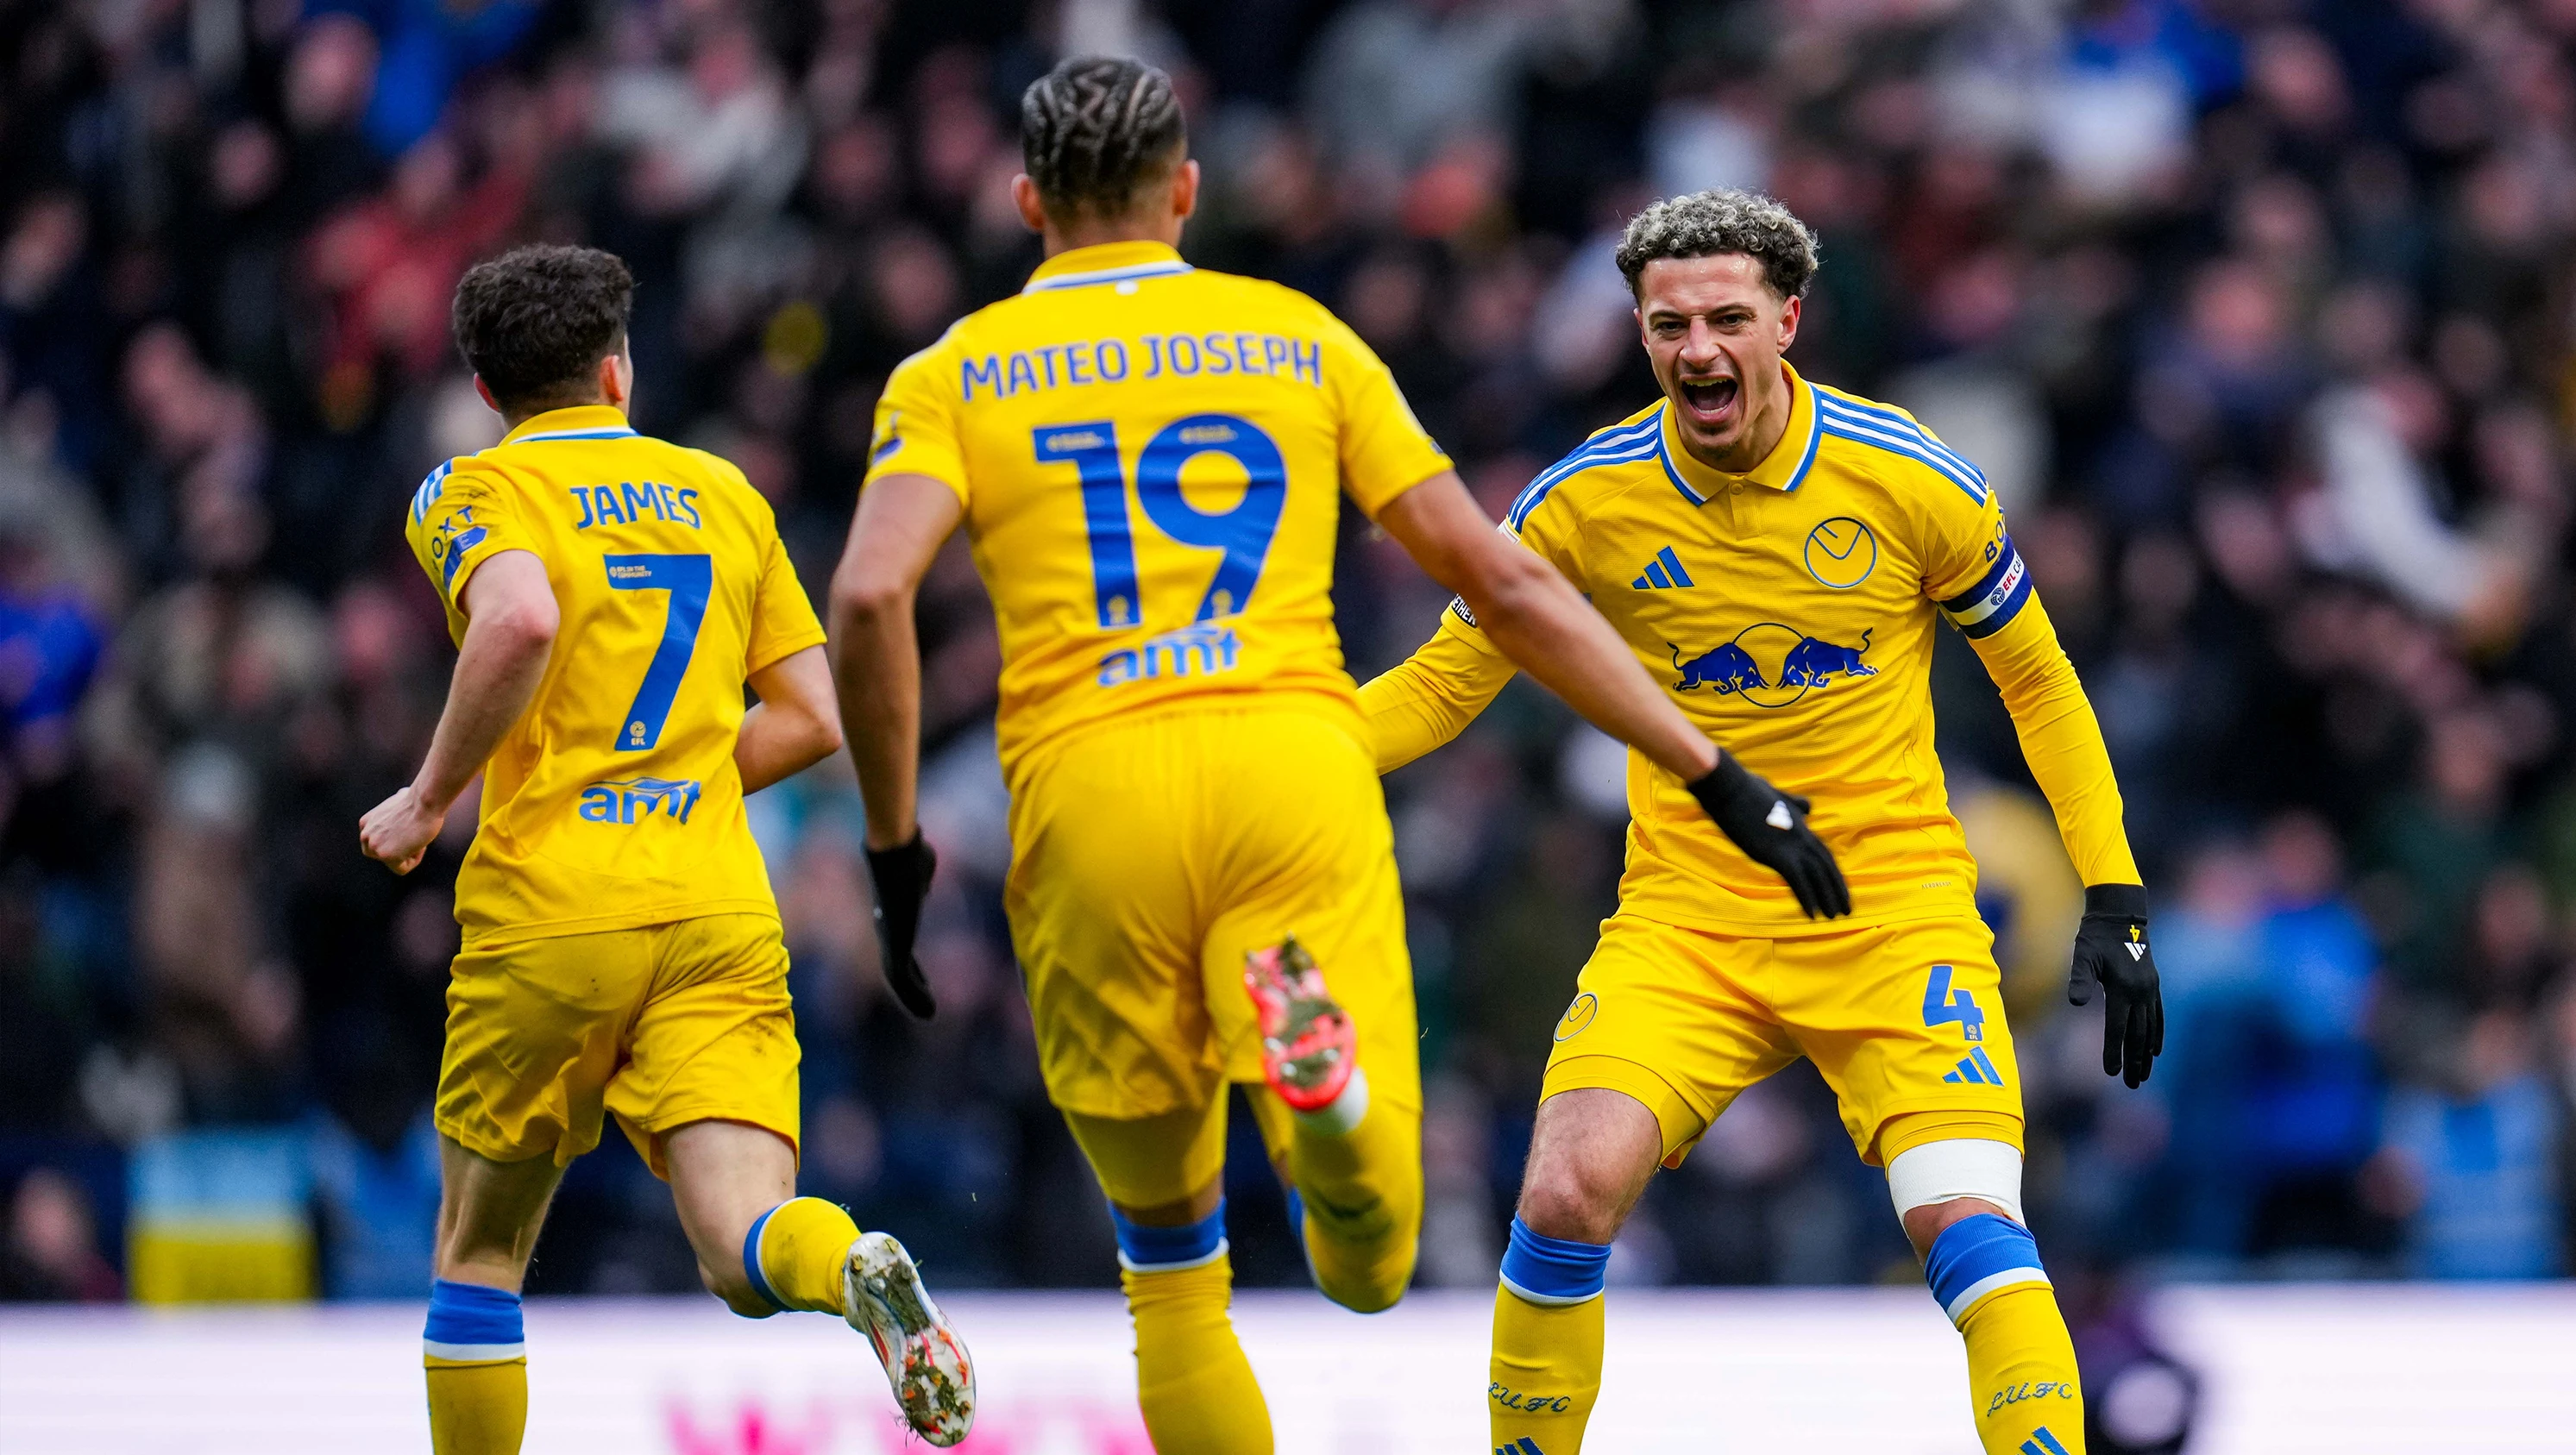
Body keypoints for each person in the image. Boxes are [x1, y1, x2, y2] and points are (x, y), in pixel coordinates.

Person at [829, 59, 1839, 1455]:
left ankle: (1300, 1120)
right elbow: (1503, 581)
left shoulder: (955, 372)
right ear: (1186, 192)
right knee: (1371, 1260)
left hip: (1085, 788)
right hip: (1290, 759)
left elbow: (871, 596)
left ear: (1024, 204)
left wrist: (892, 847)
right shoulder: (1295, 337)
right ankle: (1332, 1093)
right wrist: (1718, 772)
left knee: (1170, 1282)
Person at [1357, 190, 2164, 1455]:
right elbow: (1443, 684)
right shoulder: (1583, 503)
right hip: (1691, 920)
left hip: (1891, 911)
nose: (1698, 349)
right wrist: (1286, 757)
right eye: (1667, 323)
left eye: (1728, 317)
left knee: (1967, 1225)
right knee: (1563, 1191)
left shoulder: (1907, 475)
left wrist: (2111, 888)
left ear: (1787, 321)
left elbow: (2039, 678)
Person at [360, 244, 973, 1453]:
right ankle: (851, 1264)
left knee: (480, 1255)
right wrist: (679, 778)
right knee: (747, 1244)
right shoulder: (724, 491)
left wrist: (431, 797)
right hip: (713, 912)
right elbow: (811, 715)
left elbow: (522, 614)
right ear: (616, 370)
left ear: (486, 393)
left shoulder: (469, 491)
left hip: (551, 911)